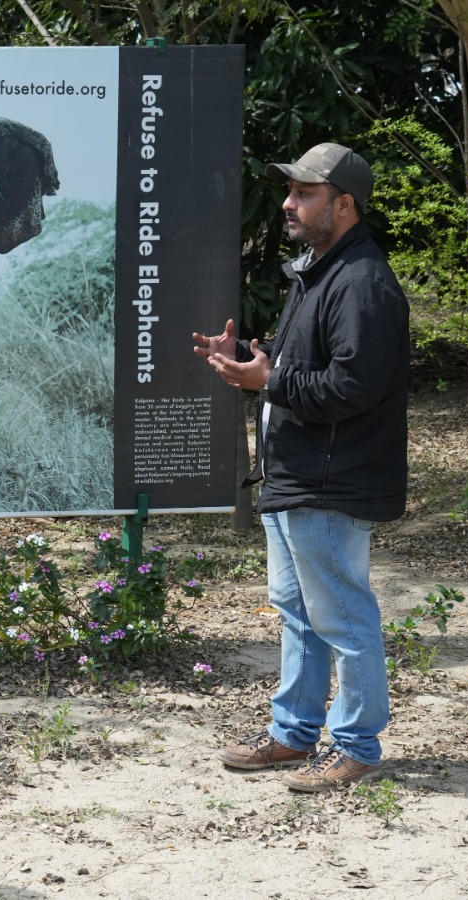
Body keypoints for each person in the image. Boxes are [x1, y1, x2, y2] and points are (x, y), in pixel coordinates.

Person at [192, 142, 409, 792]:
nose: (288, 203)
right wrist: (254, 363)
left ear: (343, 205)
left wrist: (272, 379)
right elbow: (305, 371)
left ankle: (358, 747)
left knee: (341, 614)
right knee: (298, 610)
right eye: (290, 191)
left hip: (329, 482)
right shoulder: (320, 270)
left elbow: (353, 386)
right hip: (295, 479)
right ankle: (293, 734)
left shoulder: (364, 281)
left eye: (304, 193)